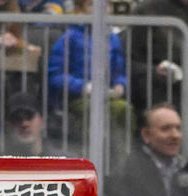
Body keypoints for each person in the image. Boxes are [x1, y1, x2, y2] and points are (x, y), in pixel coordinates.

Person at [47, 0, 128, 152]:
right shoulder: (69, 37)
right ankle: (92, 157)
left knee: (124, 110)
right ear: (80, 10)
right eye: (92, 5)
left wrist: (120, 85)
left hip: (106, 97)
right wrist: (83, 87)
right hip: (76, 98)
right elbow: (55, 75)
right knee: (93, 110)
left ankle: (120, 163)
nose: (102, 10)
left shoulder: (113, 39)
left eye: (107, 5)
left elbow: (119, 71)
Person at [107, 103, 188, 196]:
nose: (175, 135)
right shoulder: (127, 175)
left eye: (178, 128)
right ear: (146, 135)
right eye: (166, 129)